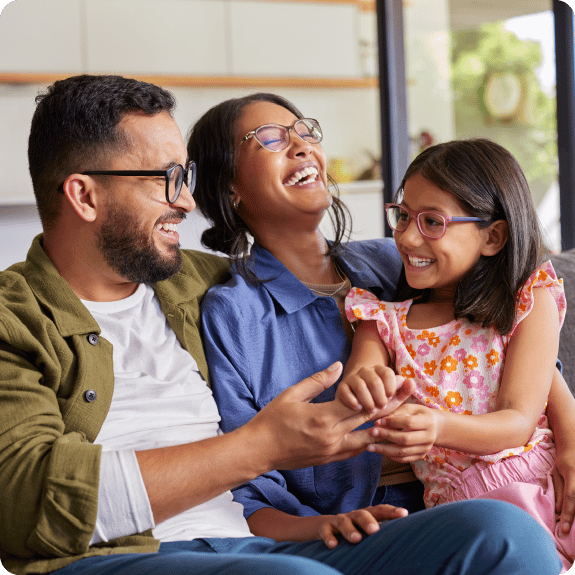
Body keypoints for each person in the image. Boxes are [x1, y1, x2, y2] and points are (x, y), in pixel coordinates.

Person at [0, 74, 560, 575]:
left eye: (187, 177)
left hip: (260, 541)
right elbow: (24, 498)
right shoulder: (20, 316)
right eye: (166, 179)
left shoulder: (192, 279)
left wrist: (570, 442)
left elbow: (506, 323)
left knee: (506, 534)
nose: (188, 203)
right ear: (84, 193)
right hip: (137, 550)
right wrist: (260, 448)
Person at [188, 92, 568, 564]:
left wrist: (572, 442)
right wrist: (320, 527)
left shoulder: (398, 261)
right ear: (229, 188)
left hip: (509, 485)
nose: (303, 145)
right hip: (365, 531)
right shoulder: (234, 314)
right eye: (269, 139)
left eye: (305, 131)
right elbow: (241, 484)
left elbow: (515, 348)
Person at [336, 139, 574, 571]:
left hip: (549, 487)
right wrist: (365, 386)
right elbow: (361, 374)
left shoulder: (527, 300)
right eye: (403, 215)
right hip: (466, 514)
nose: (407, 237)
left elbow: (518, 422)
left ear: (493, 236)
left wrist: (439, 426)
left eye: (432, 222)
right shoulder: (382, 320)